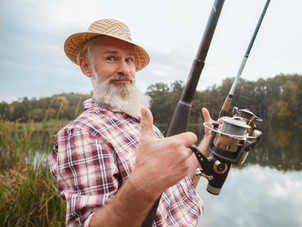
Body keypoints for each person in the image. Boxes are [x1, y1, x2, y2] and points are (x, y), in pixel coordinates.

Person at [50, 18, 212, 227]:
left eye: (129, 60)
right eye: (111, 58)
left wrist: (208, 140)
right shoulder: (82, 133)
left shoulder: (141, 121)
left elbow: (174, 187)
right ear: (86, 66)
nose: (125, 69)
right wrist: (144, 182)